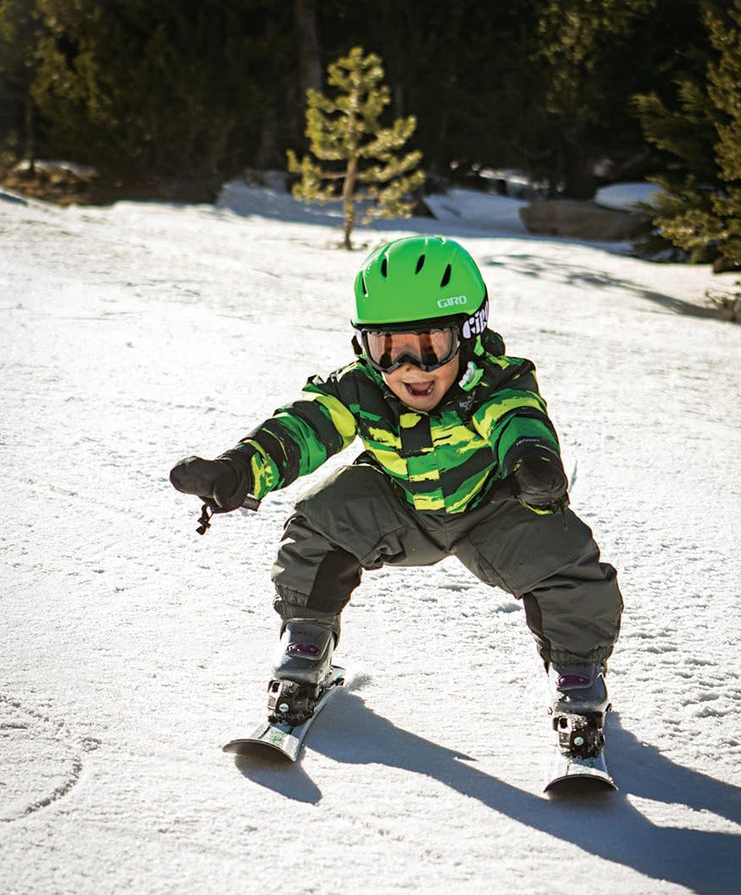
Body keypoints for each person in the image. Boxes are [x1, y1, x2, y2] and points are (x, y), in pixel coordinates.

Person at [170, 235, 623, 726]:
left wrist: (533, 462)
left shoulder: (494, 382)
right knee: (319, 520)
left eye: (430, 346)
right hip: (399, 507)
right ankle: (307, 640)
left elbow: (518, 417)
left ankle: (577, 673)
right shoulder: (359, 387)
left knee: (567, 560)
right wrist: (240, 467)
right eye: (387, 349)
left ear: (469, 334)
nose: (409, 369)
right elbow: (304, 427)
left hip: (494, 510)